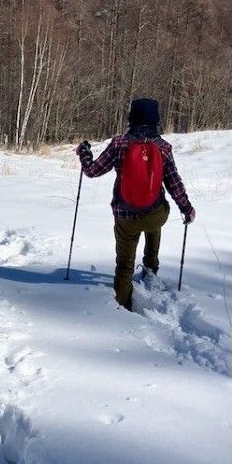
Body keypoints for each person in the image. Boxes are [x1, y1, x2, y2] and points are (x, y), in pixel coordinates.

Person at [76, 98, 195, 311]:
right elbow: (173, 183)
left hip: (125, 216)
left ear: (132, 118)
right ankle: (151, 266)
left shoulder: (119, 143)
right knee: (156, 208)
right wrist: (187, 208)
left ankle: (123, 308)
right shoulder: (163, 147)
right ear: (155, 120)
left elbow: (92, 171)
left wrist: (84, 152)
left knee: (124, 266)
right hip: (155, 215)